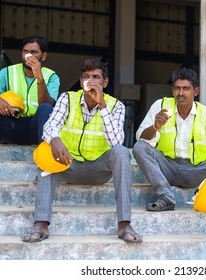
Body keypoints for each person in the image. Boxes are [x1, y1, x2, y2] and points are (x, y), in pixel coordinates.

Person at [21, 58, 142, 243]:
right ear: (80, 81)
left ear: (105, 82)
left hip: (99, 169)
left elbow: (116, 141)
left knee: (121, 152)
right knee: (47, 149)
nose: (90, 81)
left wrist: (102, 105)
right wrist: (55, 139)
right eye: (86, 77)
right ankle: (41, 222)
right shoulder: (68, 98)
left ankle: (124, 223)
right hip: (68, 164)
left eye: (95, 77)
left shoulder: (116, 106)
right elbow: (50, 126)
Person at [132, 67, 206, 241]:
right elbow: (140, 136)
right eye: (177, 88)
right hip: (168, 167)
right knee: (139, 147)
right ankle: (166, 196)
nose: (180, 93)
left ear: (195, 91)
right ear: (172, 90)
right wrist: (155, 126)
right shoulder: (161, 106)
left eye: (186, 88)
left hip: (197, 171)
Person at [0, 35, 60, 183]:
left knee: (46, 109)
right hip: (11, 126)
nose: (28, 55)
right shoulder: (7, 72)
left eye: (34, 52)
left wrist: (39, 78)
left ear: (44, 55)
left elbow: (48, 103)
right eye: (25, 51)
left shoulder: (51, 76)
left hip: (36, 129)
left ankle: (44, 170)